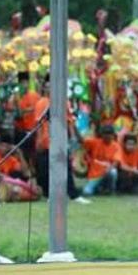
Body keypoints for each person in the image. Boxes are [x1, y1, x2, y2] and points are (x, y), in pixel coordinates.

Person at [33, 74, 90, 204]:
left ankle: (74, 195)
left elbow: (69, 121)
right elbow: (38, 124)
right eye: (48, 84)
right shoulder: (41, 103)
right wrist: (39, 139)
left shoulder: (64, 101)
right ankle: (49, 195)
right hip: (46, 141)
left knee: (65, 168)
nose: (50, 87)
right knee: (45, 170)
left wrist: (74, 137)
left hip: (60, 140)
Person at [81, 124, 121, 196]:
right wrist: (74, 127)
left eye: (109, 133)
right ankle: (99, 188)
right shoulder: (95, 142)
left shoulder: (116, 146)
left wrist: (109, 169)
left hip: (107, 173)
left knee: (113, 172)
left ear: (113, 134)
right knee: (86, 192)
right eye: (105, 133)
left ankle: (110, 190)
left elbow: (116, 162)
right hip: (95, 175)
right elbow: (81, 141)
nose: (107, 135)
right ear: (102, 134)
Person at [15, 71, 40, 163]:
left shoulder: (35, 96)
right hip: (21, 131)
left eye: (26, 82)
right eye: (22, 83)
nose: (25, 85)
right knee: (24, 153)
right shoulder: (16, 97)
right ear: (19, 84)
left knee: (34, 152)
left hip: (34, 129)